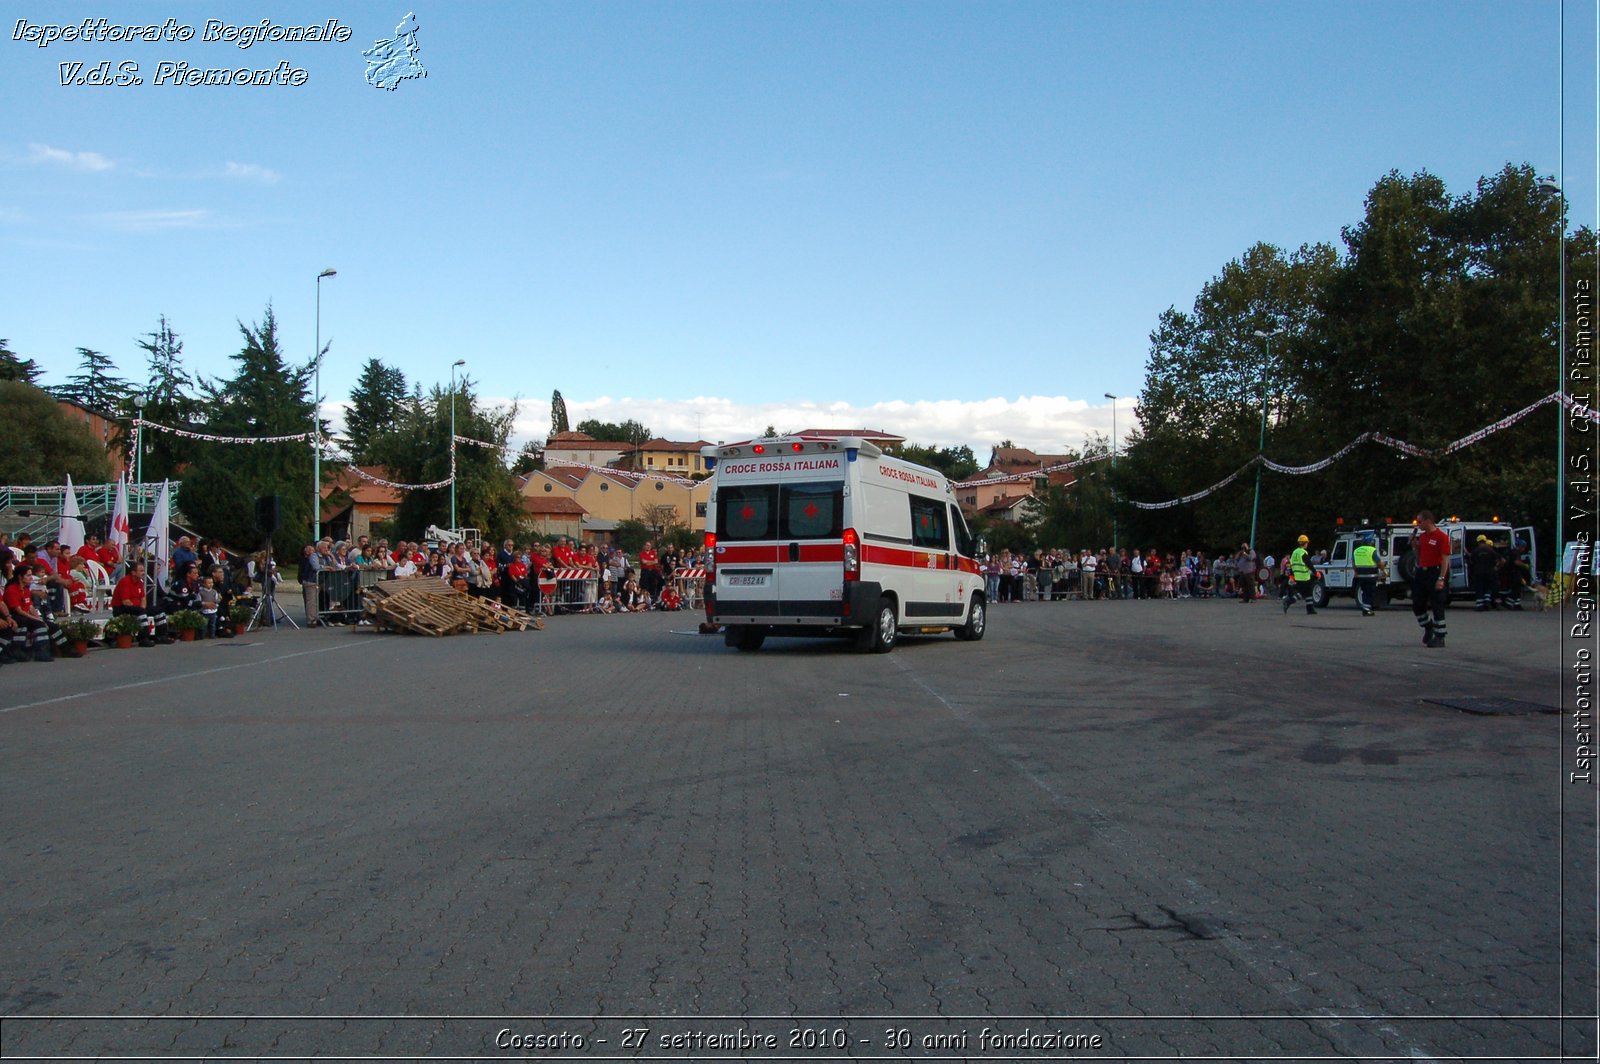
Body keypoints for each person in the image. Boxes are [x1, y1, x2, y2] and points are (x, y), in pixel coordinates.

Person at [1410, 510, 1451, 647]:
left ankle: (1440, 637)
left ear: (1428, 521)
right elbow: (1419, 557)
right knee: (1417, 604)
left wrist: (1441, 578)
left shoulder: (1441, 537)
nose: (1418, 525)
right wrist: (1414, 546)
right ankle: (1428, 626)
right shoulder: (1422, 537)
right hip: (1422, 572)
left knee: (1437, 604)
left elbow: (1445, 559)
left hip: (1435, 571)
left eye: (1420, 522)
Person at [1282, 534, 1317, 615]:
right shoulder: (1303, 552)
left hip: (1297, 576)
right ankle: (1288, 601)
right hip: (1304, 576)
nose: (1307, 544)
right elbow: (1309, 564)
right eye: (1307, 543)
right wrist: (1316, 572)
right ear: (1304, 543)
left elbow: (1292, 564)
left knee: (1307, 593)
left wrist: (1292, 575)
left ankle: (1310, 609)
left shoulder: (1294, 552)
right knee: (1304, 593)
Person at [1353, 530, 1386, 617]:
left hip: (1360, 576)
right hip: (1371, 575)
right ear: (1370, 541)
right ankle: (1367, 610)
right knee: (1370, 592)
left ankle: (1365, 608)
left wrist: (1356, 572)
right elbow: (1379, 562)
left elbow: (1353, 563)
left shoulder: (1356, 550)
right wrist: (1383, 569)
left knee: (1364, 592)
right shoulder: (1372, 550)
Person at [1470, 535, 1500, 611]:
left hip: (1478, 573)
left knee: (1479, 588)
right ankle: (1487, 603)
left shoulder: (1476, 551)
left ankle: (1480, 605)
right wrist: (1496, 567)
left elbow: (1471, 561)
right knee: (1487, 588)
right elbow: (1498, 560)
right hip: (1489, 573)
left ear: (1478, 542)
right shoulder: (1490, 550)